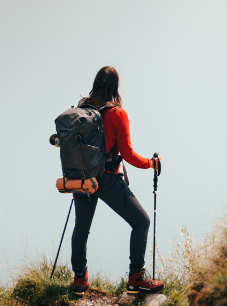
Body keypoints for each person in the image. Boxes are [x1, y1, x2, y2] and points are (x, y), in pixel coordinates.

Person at [71, 66, 164, 295]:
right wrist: (151, 164)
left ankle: (79, 280)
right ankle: (136, 278)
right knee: (141, 222)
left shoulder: (82, 108)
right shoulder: (117, 114)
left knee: (81, 229)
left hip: (82, 177)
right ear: (115, 86)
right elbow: (129, 154)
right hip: (108, 179)